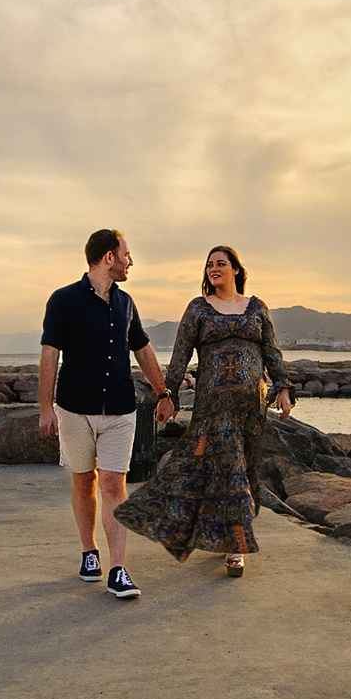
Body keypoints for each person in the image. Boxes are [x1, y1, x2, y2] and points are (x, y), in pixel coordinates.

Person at [116, 245, 293, 576]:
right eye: (210, 264)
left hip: (251, 407)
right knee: (227, 469)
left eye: (221, 263)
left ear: (236, 270)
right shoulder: (198, 308)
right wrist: (166, 396)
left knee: (247, 470)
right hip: (214, 405)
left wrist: (283, 389)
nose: (214, 268)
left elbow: (272, 352)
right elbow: (181, 354)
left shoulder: (256, 308)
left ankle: (223, 529)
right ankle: (234, 546)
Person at [39, 228, 168, 601]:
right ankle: (89, 552)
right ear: (109, 257)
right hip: (74, 408)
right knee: (84, 482)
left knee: (114, 484)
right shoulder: (63, 300)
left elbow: (142, 350)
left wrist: (163, 393)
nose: (131, 262)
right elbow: (50, 354)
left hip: (120, 408)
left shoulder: (126, 303)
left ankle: (118, 570)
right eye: (127, 254)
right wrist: (46, 407)